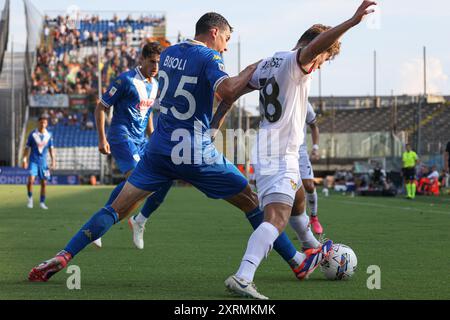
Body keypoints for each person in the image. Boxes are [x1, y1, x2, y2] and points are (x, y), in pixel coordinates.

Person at [28, 12, 309, 286]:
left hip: (159, 148)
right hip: (192, 150)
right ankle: (297, 261)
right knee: (251, 200)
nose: (225, 46)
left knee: (115, 208)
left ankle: (64, 255)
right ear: (214, 32)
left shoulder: (170, 52)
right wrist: (250, 71)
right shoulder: (209, 57)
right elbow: (226, 91)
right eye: (225, 39)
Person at [225, 0, 377, 299]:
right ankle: (244, 275)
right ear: (315, 50)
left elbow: (238, 85)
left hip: (275, 149)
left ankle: (309, 247)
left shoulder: (270, 61)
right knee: (276, 219)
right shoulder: (297, 62)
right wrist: (350, 22)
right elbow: (314, 48)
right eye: (323, 60)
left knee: (297, 201)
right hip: (279, 153)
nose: (318, 66)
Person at [93, 42, 172, 249]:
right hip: (122, 135)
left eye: (159, 63)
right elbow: (101, 107)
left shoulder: (155, 84)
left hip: (142, 141)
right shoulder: (125, 80)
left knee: (163, 177)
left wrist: (154, 138)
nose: (156, 66)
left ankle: (140, 220)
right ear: (142, 60)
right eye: (152, 62)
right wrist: (102, 139)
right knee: (139, 179)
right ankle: (99, 226)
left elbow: (148, 115)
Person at [22, 114, 56, 210]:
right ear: (38, 123)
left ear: (47, 124)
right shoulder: (33, 134)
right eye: (41, 122)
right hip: (33, 161)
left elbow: (51, 149)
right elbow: (27, 148)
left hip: (43, 163)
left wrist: (53, 161)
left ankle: (42, 202)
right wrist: (24, 159)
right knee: (30, 181)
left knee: (44, 183)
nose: (42, 124)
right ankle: (30, 199)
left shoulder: (49, 135)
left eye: (44, 122)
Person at [299, 102, 323, 234]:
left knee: (308, 185)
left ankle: (314, 217)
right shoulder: (280, 98)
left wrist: (315, 148)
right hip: (281, 151)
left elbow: (314, 126)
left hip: (300, 152)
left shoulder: (305, 105)